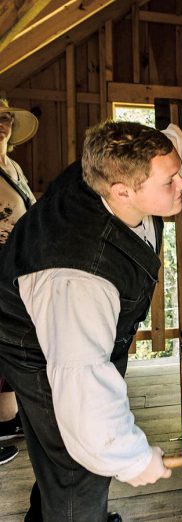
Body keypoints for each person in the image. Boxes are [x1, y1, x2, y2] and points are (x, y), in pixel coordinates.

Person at [0, 112, 182, 521]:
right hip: (35, 348)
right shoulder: (79, 278)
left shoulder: (107, 166)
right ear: (122, 191)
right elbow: (84, 389)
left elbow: (166, 149)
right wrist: (133, 459)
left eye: (177, 174)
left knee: (56, 450)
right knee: (75, 468)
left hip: (55, 324)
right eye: (169, 182)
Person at [0, 99, 39, 466]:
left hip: (15, 266)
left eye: (6, 117)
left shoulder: (12, 166)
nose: (2, 124)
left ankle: (6, 421)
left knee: (12, 344)